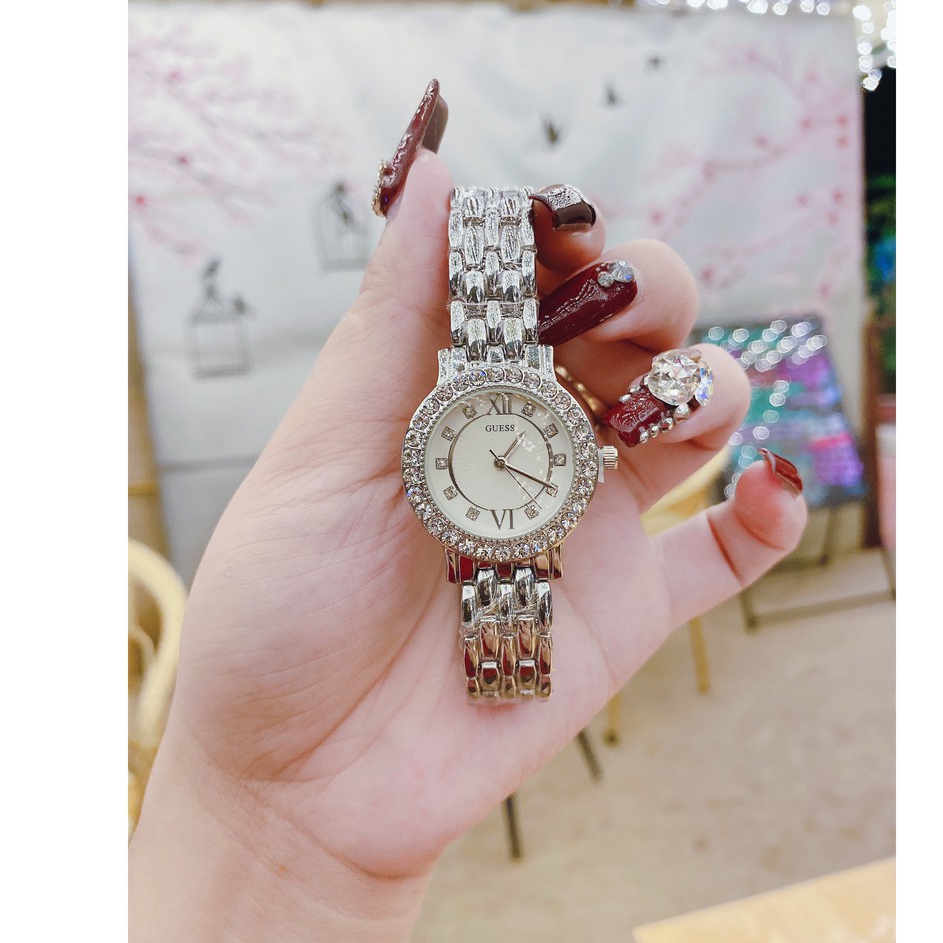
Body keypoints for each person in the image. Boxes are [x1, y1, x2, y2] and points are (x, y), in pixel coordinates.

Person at [128, 82, 807, 941]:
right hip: (496, 521)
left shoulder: (560, 434)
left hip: (519, 520)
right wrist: (254, 805)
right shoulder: (424, 471)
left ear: (586, 447)